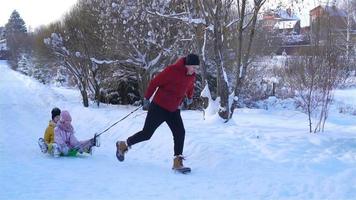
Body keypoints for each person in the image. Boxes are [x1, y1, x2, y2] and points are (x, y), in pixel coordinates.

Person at [115, 53, 199, 171]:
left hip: (173, 109)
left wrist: (190, 96)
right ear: (187, 65)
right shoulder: (172, 70)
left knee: (180, 132)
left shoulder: (191, 75)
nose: (195, 70)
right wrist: (147, 98)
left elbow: (190, 85)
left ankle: (177, 162)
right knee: (146, 134)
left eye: (196, 68)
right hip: (159, 107)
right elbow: (155, 82)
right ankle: (123, 144)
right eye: (194, 67)